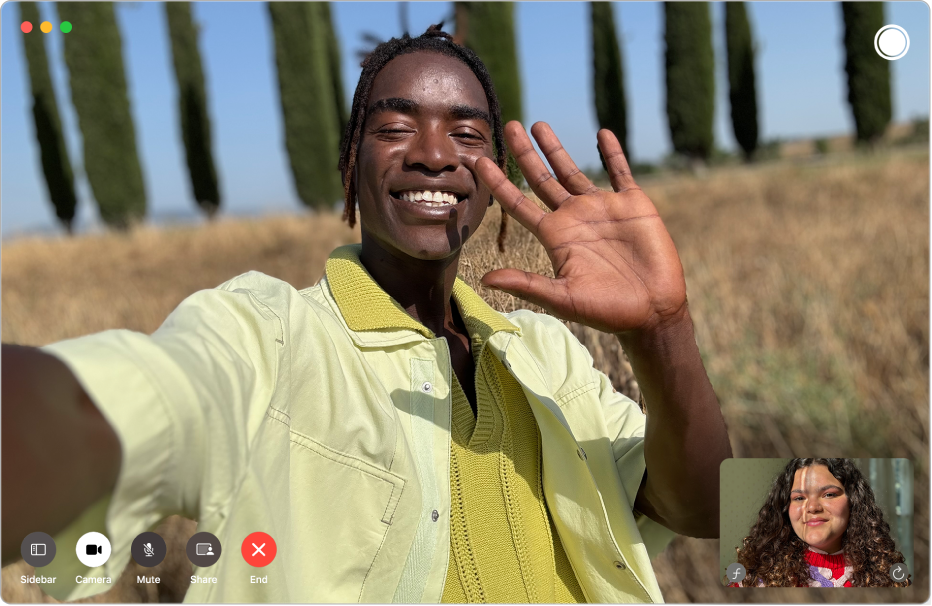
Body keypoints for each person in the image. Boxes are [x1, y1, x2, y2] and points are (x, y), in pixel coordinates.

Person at [2, 26, 731, 603]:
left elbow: (706, 509)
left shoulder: (546, 356)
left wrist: (662, 330)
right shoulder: (270, 339)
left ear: (493, 185)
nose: (434, 154)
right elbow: (132, 400)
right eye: (396, 127)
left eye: (467, 133)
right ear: (351, 173)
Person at [728, 458, 910, 588]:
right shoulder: (751, 580)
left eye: (829, 494)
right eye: (799, 497)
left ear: (854, 502)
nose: (813, 507)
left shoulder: (890, 579)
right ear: (785, 509)